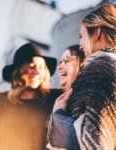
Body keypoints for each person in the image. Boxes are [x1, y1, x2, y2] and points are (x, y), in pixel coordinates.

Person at [48, 3, 116, 150]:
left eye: (81, 36)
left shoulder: (100, 68)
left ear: (97, 32)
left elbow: (93, 141)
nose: (80, 45)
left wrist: (58, 115)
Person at [0, 43, 62, 150]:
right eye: (31, 66)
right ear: (18, 72)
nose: (36, 72)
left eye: (41, 67)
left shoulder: (54, 99)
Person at [47, 45, 84, 150]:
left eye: (66, 60)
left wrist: (58, 114)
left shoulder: (88, 99)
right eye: (60, 62)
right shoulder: (58, 99)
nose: (59, 67)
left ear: (82, 63)